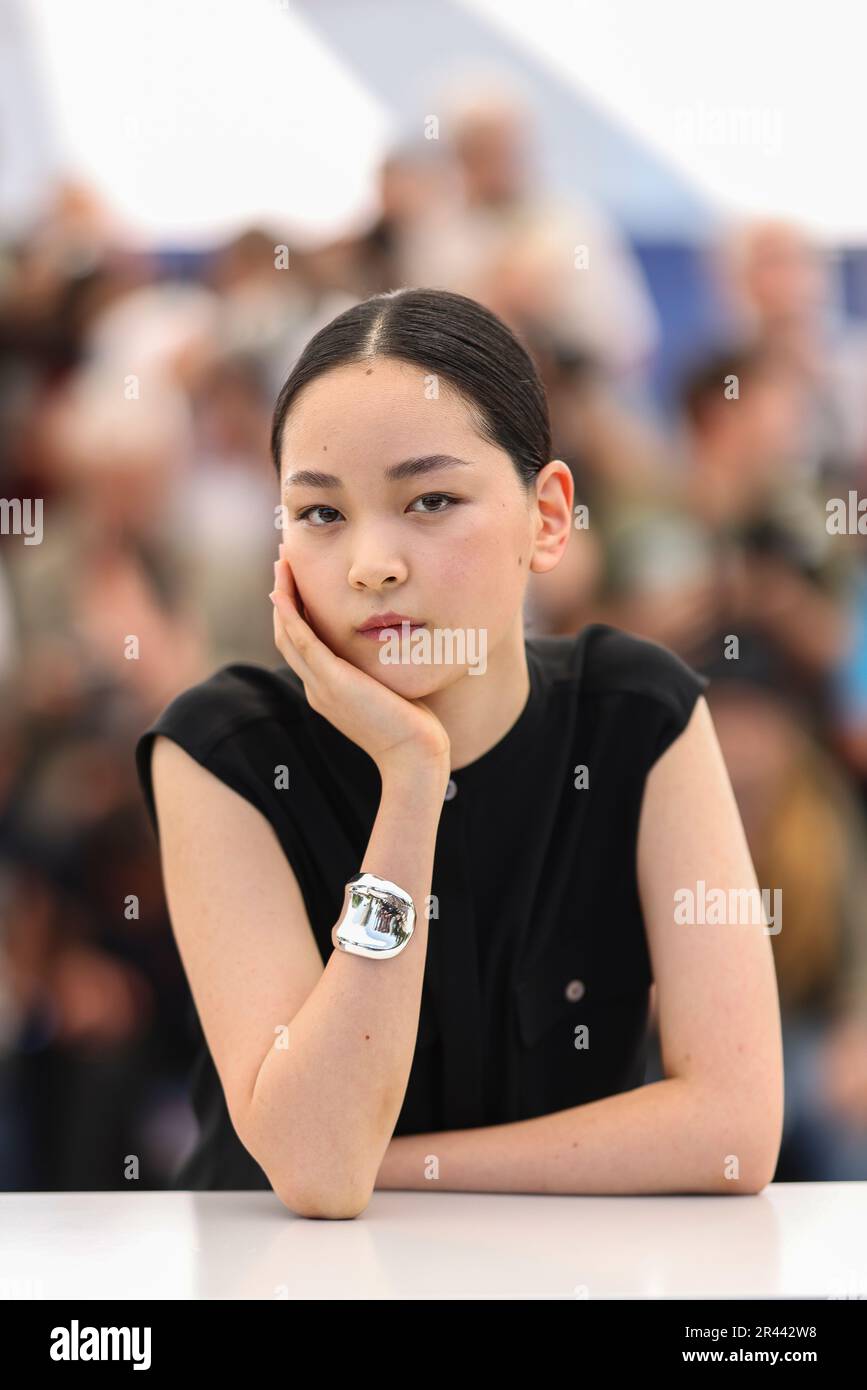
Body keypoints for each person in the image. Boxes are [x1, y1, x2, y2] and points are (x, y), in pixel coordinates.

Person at [134, 288, 783, 1218]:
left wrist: (392, 1167)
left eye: (429, 499)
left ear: (547, 517)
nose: (371, 563)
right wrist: (409, 778)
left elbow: (732, 1132)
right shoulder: (221, 751)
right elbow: (319, 1167)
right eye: (320, 515)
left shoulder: (639, 716)